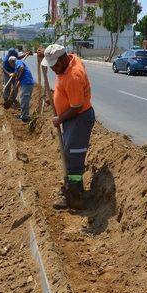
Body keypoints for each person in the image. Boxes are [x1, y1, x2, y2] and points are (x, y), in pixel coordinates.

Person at [39, 44, 94, 210]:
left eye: (55, 64)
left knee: (73, 157)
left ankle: (75, 197)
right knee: (70, 154)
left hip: (79, 119)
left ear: (63, 59)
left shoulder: (73, 76)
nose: (54, 68)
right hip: (73, 119)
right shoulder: (69, 59)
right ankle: (73, 191)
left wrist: (59, 119)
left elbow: (76, 106)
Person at [9, 56, 34, 123]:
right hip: (25, 83)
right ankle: (23, 115)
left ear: (12, 61)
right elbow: (20, 79)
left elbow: (21, 68)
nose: (10, 65)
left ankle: (25, 117)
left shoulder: (18, 62)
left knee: (24, 100)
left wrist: (17, 76)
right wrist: (15, 87)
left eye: (10, 63)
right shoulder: (17, 67)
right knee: (23, 100)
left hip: (27, 83)